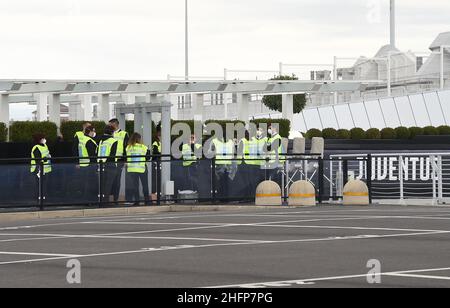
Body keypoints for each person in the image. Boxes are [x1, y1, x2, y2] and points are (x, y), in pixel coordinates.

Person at [126, 133, 151, 206]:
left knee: (135, 186)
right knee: (145, 185)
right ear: (139, 139)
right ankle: (147, 201)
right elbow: (148, 158)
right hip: (142, 168)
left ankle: (137, 201)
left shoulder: (128, 147)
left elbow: (126, 157)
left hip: (132, 169)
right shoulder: (144, 147)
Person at [109, 118, 130, 203]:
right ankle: (109, 198)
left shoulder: (124, 134)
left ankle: (115, 199)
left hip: (119, 160)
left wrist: (126, 160)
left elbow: (126, 147)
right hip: (110, 160)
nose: (109, 126)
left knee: (117, 180)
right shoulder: (109, 133)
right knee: (110, 179)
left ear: (115, 124)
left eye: (111, 124)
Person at [98, 125, 119, 205]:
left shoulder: (101, 141)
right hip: (110, 165)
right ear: (112, 132)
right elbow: (112, 155)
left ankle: (102, 201)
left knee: (102, 184)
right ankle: (105, 202)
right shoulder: (113, 141)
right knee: (109, 185)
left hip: (101, 164)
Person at [77, 126, 98, 202]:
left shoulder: (82, 139)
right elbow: (92, 155)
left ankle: (84, 199)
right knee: (89, 184)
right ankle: (89, 200)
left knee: (84, 183)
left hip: (82, 163)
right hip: (89, 165)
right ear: (90, 131)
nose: (94, 133)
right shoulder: (89, 141)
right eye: (94, 131)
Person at [30, 133, 52, 200]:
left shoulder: (45, 145)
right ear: (39, 140)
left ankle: (43, 198)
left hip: (46, 169)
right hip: (38, 170)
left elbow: (47, 154)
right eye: (43, 138)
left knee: (44, 185)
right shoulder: (36, 148)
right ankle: (38, 199)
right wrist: (45, 159)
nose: (44, 139)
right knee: (39, 186)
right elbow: (38, 160)